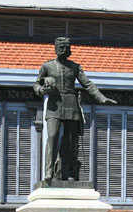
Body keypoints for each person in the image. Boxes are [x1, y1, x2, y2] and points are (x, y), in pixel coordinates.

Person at [33, 37, 117, 182]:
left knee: (70, 141)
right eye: (61, 47)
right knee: (52, 136)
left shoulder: (75, 67)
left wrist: (101, 98)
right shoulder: (47, 67)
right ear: (56, 48)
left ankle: (67, 172)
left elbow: (88, 84)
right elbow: (36, 85)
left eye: (67, 47)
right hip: (55, 105)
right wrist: (42, 90)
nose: (64, 50)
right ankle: (49, 170)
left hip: (71, 105)